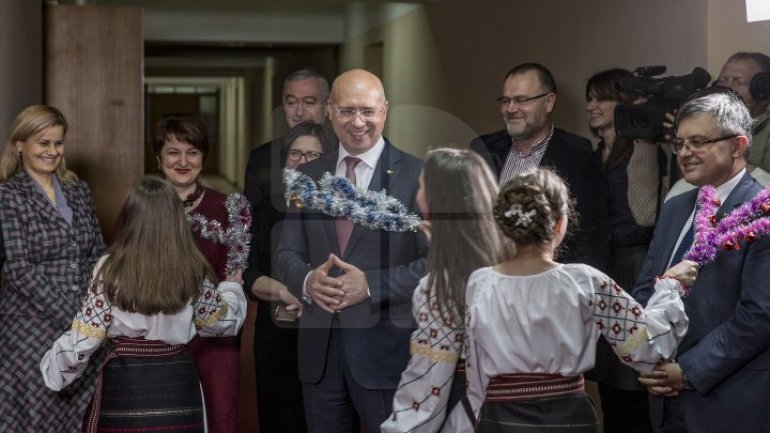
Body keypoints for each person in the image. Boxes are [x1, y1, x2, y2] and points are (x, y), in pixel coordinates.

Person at [464, 168, 695, 433]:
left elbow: (473, 370)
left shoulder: (479, 283)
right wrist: (671, 287)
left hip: (498, 419)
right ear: (560, 224)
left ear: (503, 226)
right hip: (567, 420)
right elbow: (645, 347)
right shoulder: (585, 282)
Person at [274, 68, 428, 433]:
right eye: (346, 111)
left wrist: (371, 285)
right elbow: (286, 254)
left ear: (385, 110)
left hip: (388, 355)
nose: (358, 122)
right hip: (320, 354)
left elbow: (436, 263)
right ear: (330, 111)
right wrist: (309, 280)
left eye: (367, 111)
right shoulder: (308, 177)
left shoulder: (418, 176)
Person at [40, 176, 247, 433]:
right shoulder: (194, 267)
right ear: (175, 217)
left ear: (132, 217)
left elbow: (86, 337)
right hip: (178, 382)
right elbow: (219, 323)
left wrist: (54, 371)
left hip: (126, 383)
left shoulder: (109, 268)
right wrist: (232, 288)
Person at [634, 89, 770, 433]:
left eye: (698, 142)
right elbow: (645, 288)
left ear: (738, 146)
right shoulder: (675, 208)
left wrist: (689, 371)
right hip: (664, 395)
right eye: (679, 143)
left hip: (729, 399)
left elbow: (759, 316)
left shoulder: (762, 211)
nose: (684, 153)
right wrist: (643, 354)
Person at [381, 148, 513, 433]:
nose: (417, 196)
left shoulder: (442, 288)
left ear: (436, 201)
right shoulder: (515, 265)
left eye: (421, 187)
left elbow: (427, 390)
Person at [0, 105, 106, 433]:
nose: (52, 151)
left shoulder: (78, 189)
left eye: (58, 144)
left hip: (86, 326)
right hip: (30, 326)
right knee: (33, 416)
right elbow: (19, 269)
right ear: (20, 145)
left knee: (80, 416)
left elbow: (99, 253)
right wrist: (77, 317)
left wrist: (95, 311)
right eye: (43, 143)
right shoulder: (8, 195)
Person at [243, 69, 333, 433]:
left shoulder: (349, 159)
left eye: (309, 102)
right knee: (279, 409)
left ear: (327, 107)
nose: (299, 111)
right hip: (279, 310)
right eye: (291, 102)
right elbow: (252, 241)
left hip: (334, 313)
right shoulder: (264, 159)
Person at [583, 68, 667, 433]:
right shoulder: (593, 153)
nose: (592, 106)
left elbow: (645, 213)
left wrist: (644, 140)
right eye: (589, 98)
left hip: (633, 265)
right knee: (605, 379)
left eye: (601, 97)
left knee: (630, 380)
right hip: (600, 265)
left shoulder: (642, 149)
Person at [470, 62, 609, 270]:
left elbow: (591, 241)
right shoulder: (482, 149)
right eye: (506, 100)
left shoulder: (579, 156)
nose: (511, 109)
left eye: (521, 100)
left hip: (549, 286)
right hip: (489, 282)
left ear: (549, 102)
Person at [152, 113, 241, 433]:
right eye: (173, 152)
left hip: (214, 339)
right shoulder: (141, 208)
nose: (183, 161)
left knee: (220, 417)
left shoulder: (228, 207)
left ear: (203, 157)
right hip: (156, 337)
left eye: (192, 152)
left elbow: (234, 275)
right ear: (158, 158)